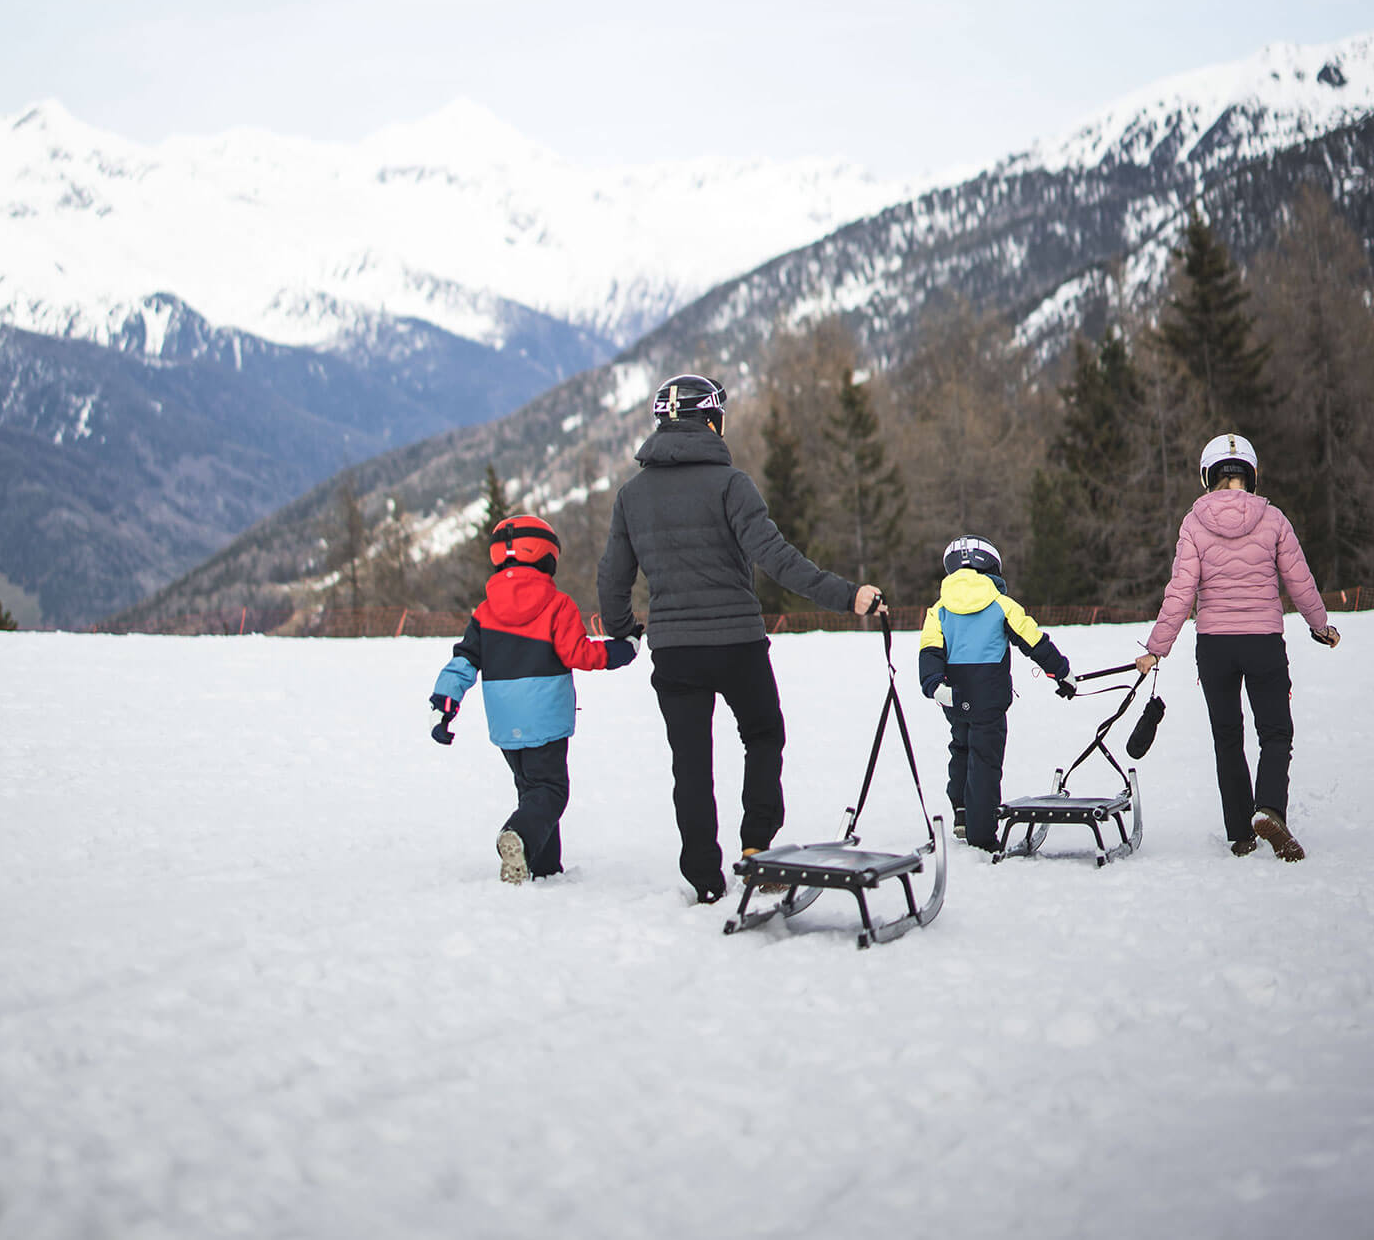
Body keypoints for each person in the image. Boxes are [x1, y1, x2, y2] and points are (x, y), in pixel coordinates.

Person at [598, 373, 883, 904]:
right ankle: (757, 852)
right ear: (710, 420)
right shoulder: (732, 485)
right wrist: (847, 597)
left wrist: (623, 633)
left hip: (675, 651)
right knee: (762, 735)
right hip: (737, 645)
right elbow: (778, 561)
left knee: (691, 763)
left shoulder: (631, 496)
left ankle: (705, 879)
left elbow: (612, 580)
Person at [1135, 432, 1340, 861]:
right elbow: (1299, 581)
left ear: (1208, 476)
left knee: (1227, 737)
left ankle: (1240, 834)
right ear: (1252, 476)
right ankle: (1268, 809)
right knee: (1276, 732)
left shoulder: (1194, 523)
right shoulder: (1273, 519)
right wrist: (1320, 626)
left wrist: (1157, 648)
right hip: (1264, 642)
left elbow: (1180, 591)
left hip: (1214, 647)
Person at [429, 514, 637, 883]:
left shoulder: (485, 611)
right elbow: (578, 654)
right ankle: (519, 837)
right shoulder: (557, 604)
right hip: (546, 715)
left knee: (532, 788)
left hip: (505, 718)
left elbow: (464, 659)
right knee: (551, 790)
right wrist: (624, 650)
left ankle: (543, 867)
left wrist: (444, 704)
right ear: (547, 556)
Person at [917, 535, 1074, 850]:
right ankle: (982, 832)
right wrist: (1062, 673)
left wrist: (934, 685)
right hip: (990, 697)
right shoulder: (1002, 605)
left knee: (960, 748)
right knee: (985, 760)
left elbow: (929, 650)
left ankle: (962, 813)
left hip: (955, 695)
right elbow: (1034, 641)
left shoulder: (938, 609)